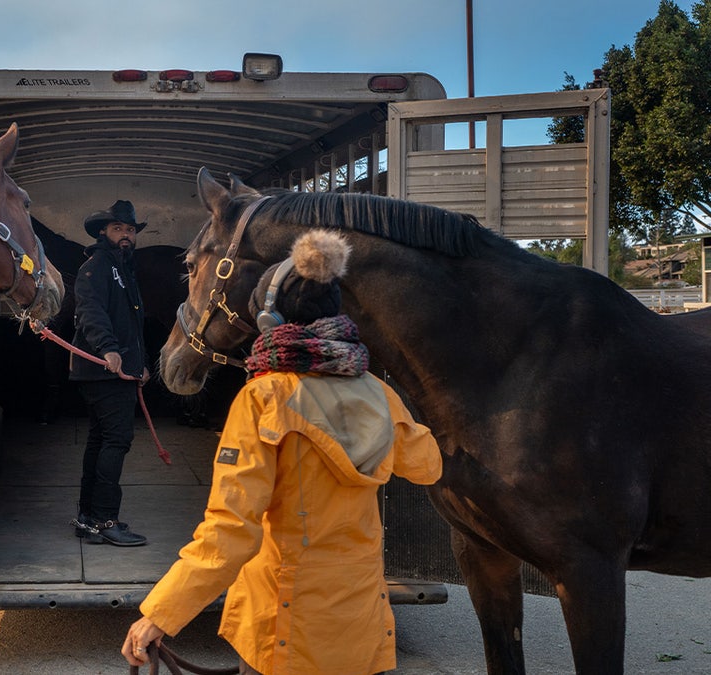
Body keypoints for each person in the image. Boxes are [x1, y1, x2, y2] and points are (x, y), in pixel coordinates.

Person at [121, 230, 443, 674]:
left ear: (270, 321)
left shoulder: (265, 399)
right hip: (361, 628)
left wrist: (160, 613)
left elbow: (232, 530)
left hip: (284, 629)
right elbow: (426, 467)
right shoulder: (379, 394)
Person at [68, 199, 151, 547]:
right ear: (104, 232)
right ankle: (105, 520)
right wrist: (109, 349)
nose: (126, 235)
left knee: (100, 440)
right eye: (119, 229)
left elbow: (132, 325)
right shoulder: (97, 266)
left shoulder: (122, 269)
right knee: (116, 440)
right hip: (103, 370)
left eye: (130, 230)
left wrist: (140, 362)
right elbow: (91, 311)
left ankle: (88, 517)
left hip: (114, 370)